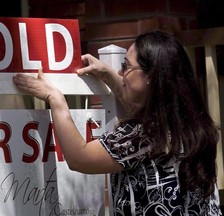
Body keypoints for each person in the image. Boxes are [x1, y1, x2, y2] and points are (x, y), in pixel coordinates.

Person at [12, 30, 222, 215]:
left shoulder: (144, 135)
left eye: (126, 66)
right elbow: (137, 99)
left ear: (151, 76)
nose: (121, 72)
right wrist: (107, 73)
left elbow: (79, 156)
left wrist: (55, 99)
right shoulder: (193, 125)